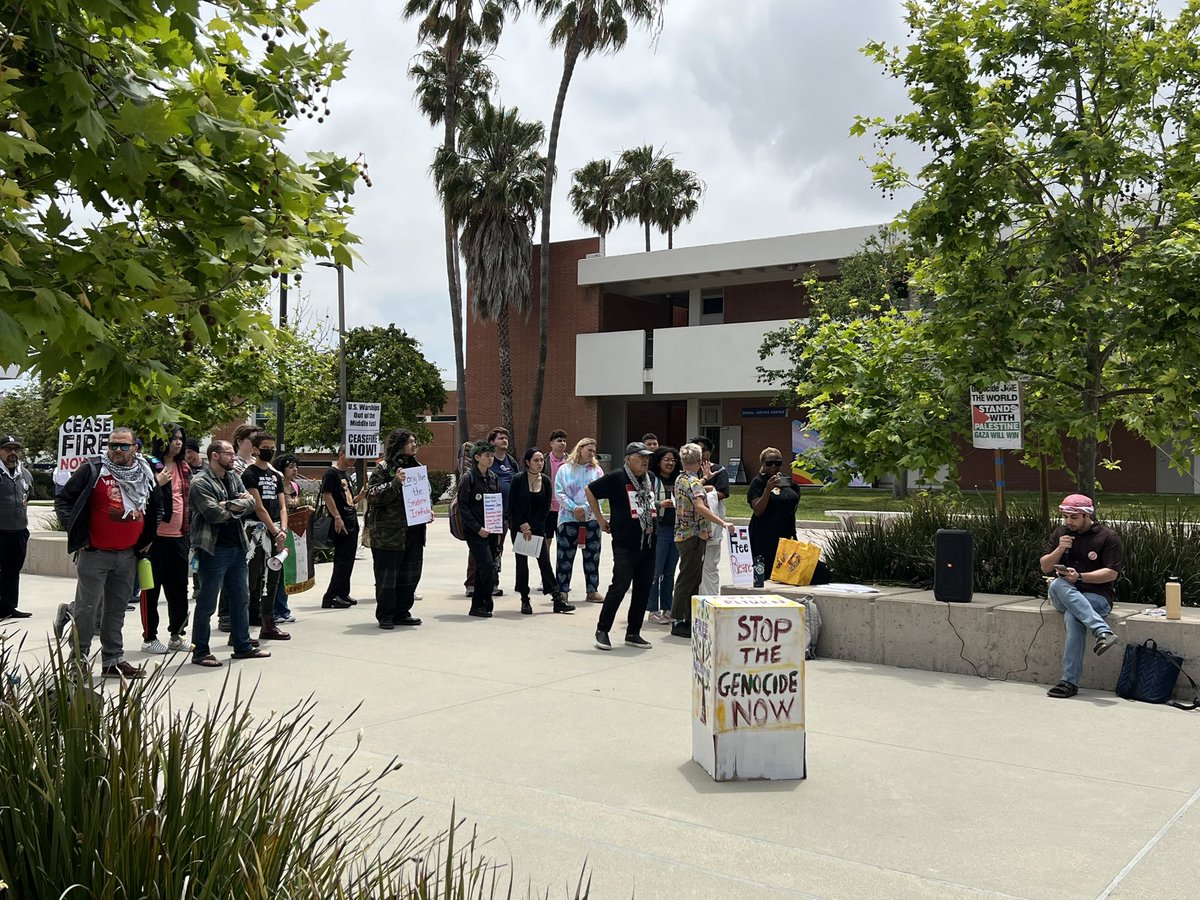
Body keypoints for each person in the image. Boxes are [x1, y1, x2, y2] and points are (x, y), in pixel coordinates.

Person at [54, 426, 162, 678]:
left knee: (116, 609)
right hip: (94, 553)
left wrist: (149, 538)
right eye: (112, 445)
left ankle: (113, 660)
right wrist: (78, 536)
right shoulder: (92, 469)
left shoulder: (145, 472)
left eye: (123, 445)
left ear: (135, 447)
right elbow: (64, 500)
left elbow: (157, 506)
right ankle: (77, 662)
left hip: (127, 554)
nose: (117, 450)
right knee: (86, 609)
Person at [189, 440, 270, 668]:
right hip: (213, 550)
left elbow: (251, 502)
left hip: (237, 547)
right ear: (215, 455)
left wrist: (228, 504)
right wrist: (236, 505)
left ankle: (242, 646)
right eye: (229, 454)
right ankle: (201, 651)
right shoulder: (200, 482)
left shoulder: (233, 477)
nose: (234, 457)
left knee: (240, 598)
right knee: (207, 601)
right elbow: (213, 514)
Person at [1039, 493, 1122, 699]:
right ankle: (1102, 631)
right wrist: (1060, 548)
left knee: (1073, 615)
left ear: (1087, 515)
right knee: (1058, 583)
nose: (1068, 522)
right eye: (1066, 517)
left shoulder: (1107, 537)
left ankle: (1068, 683)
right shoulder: (1061, 534)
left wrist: (1080, 578)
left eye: (1074, 517)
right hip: (1062, 593)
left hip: (1098, 597)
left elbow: (1111, 573)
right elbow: (1045, 566)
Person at [586, 442, 658, 651]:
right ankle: (602, 630)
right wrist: (600, 519)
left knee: (643, 588)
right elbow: (589, 490)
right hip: (625, 543)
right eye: (640, 457)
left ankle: (633, 632)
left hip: (649, 541)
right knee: (620, 586)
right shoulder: (617, 477)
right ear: (628, 458)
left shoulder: (649, 479)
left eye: (647, 457)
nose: (645, 461)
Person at [670, 442, 735, 640]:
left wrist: (706, 477)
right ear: (699, 461)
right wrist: (722, 522)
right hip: (693, 536)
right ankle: (679, 620)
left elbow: (694, 488)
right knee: (688, 579)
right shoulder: (694, 483)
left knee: (692, 577)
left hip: (684, 535)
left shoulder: (681, 478)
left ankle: (687, 618)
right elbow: (700, 506)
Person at [364, 428, 425, 629]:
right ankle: (386, 615)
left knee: (410, 575)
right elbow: (371, 495)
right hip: (388, 533)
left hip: (413, 531)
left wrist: (427, 511)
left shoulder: (417, 467)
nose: (414, 445)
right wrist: (394, 483)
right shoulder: (383, 468)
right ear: (399, 445)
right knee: (387, 577)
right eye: (410, 442)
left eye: (415, 441)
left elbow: (422, 495)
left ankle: (402, 612)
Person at [143, 424, 192, 652]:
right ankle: (149, 638)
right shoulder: (148, 464)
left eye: (180, 439)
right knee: (151, 591)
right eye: (173, 438)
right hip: (155, 538)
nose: (178, 442)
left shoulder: (184, 467)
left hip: (180, 536)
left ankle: (177, 634)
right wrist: (157, 482)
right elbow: (138, 494)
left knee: (179, 589)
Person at [509, 447, 573, 614]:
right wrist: (522, 525)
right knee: (522, 564)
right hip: (519, 528)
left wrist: (532, 525)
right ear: (528, 462)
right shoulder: (518, 479)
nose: (539, 463)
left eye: (541, 460)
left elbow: (545, 508)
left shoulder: (545, 481)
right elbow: (513, 505)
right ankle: (525, 599)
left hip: (537, 527)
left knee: (544, 561)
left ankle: (557, 598)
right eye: (536, 460)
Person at [241, 432, 291, 641]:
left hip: (276, 530)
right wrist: (274, 530)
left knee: (273, 577)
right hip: (256, 531)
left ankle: (268, 624)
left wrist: (282, 530)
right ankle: (241, 626)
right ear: (255, 449)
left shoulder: (275, 475)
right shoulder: (249, 473)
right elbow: (258, 507)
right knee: (251, 580)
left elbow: (282, 505)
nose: (269, 451)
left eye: (272, 447)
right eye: (265, 447)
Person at [463, 427, 517, 597]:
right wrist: (476, 526)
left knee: (495, 552)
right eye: (500, 438)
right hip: (478, 521)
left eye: (506, 437)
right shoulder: (471, 476)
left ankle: (492, 583)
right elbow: (464, 505)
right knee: (478, 553)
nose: (504, 440)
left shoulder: (510, 462)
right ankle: (472, 584)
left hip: (500, 517)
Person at [554, 437, 605, 605]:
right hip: (568, 519)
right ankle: (562, 591)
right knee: (564, 557)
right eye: (589, 449)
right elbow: (559, 492)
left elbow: (602, 495)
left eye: (593, 451)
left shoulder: (597, 471)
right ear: (580, 449)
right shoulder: (564, 469)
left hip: (591, 519)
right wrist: (573, 508)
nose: (591, 453)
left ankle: (592, 590)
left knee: (592, 555)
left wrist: (585, 508)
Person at [458, 440, 502, 617]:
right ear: (477, 457)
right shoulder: (468, 478)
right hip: (475, 532)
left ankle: (480, 604)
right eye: (487, 455)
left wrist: (497, 527)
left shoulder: (493, 478)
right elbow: (463, 507)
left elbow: (497, 505)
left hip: (491, 530)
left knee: (488, 567)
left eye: (492, 455)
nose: (490, 458)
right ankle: (483, 602)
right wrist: (477, 528)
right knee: (486, 564)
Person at [747, 447, 800, 587]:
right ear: (763, 463)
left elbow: (794, 502)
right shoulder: (758, 482)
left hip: (786, 532)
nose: (774, 466)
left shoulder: (788, 482)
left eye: (778, 463)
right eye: (769, 463)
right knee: (766, 572)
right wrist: (768, 490)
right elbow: (758, 510)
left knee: (787, 571)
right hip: (764, 534)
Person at [321, 446, 365, 609]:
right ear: (341, 454)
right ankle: (331, 596)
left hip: (350, 519)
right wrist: (337, 517)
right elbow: (327, 495)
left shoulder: (345, 474)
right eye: (350, 455)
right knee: (342, 560)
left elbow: (347, 500)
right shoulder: (331, 473)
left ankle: (342, 592)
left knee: (348, 560)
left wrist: (358, 498)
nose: (353, 459)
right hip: (341, 522)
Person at [0, 434, 34, 620]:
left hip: (19, 531)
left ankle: (8, 607)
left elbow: (29, 496)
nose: (12, 453)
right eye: (8, 449)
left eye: (16, 449)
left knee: (12, 571)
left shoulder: (25, 473)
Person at [691, 435, 730, 596]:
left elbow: (722, 492)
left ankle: (710, 598)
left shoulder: (719, 470)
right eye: (697, 449)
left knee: (710, 566)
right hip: (691, 525)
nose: (701, 453)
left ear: (710, 452)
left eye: (704, 450)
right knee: (691, 567)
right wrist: (707, 488)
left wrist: (701, 493)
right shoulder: (688, 471)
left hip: (712, 523)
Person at [647, 446, 681, 624]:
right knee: (655, 571)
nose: (670, 463)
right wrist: (660, 503)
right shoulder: (652, 478)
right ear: (659, 461)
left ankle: (668, 608)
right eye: (666, 459)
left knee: (669, 572)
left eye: (673, 460)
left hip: (676, 530)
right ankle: (652, 610)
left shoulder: (679, 479)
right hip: (659, 529)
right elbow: (645, 499)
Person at [274, 452, 311, 610]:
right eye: (290, 467)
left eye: (296, 466)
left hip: (296, 532)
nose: (295, 469)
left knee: (289, 572)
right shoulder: (277, 485)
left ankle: (283, 607)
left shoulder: (295, 486)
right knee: (280, 572)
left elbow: (296, 507)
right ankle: (277, 608)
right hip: (281, 531)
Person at [545, 429, 569, 539]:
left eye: (564, 441)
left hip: (565, 509)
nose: (562, 443)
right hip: (548, 508)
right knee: (546, 540)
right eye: (559, 440)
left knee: (564, 541)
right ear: (551, 443)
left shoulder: (571, 462)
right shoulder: (543, 460)